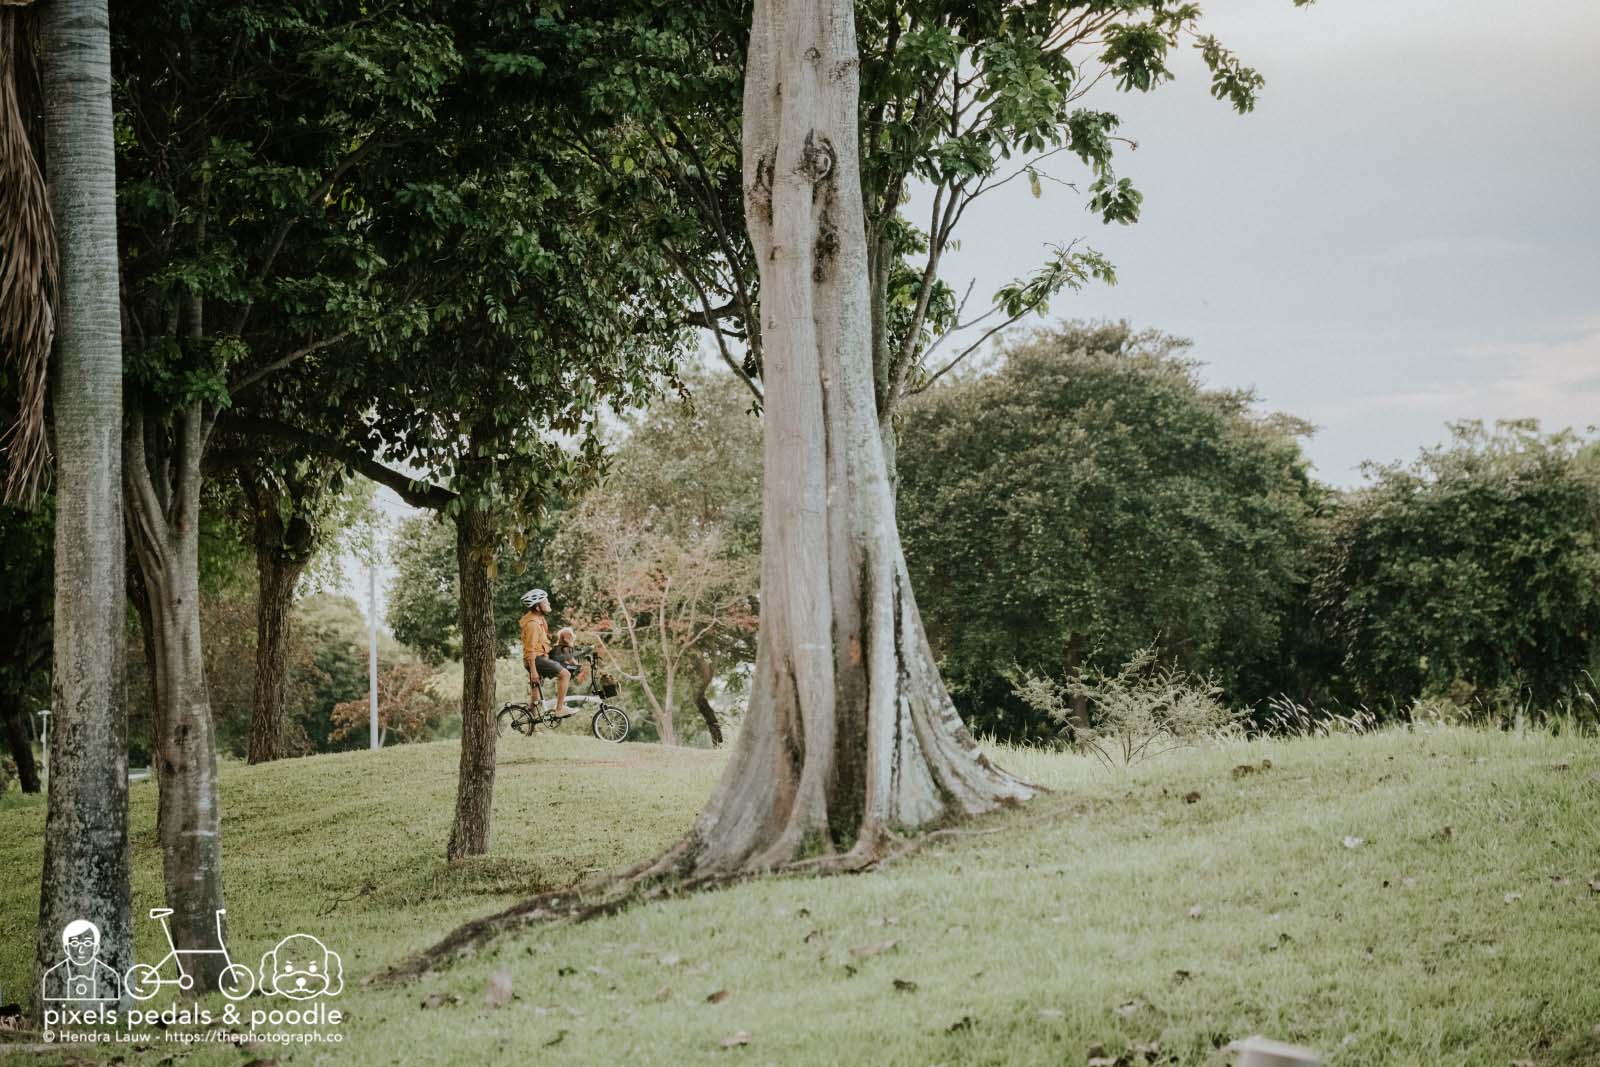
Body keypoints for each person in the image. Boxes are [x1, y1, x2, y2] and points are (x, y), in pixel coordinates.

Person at [519, 588, 573, 718]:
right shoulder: (532, 624)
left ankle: (529, 723)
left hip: (540, 657)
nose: (548, 603)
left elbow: (543, 643)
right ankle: (559, 709)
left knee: (535, 694)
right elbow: (530, 649)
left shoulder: (540, 620)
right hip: (535, 660)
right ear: (538, 607)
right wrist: (534, 671)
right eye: (545, 601)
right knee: (565, 674)